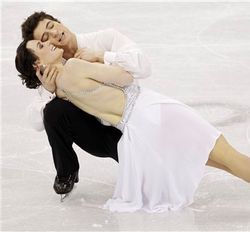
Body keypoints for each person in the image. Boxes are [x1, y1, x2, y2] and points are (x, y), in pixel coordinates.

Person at [16, 38, 250, 214]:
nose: (50, 44)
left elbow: (60, 108)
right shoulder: (75, 64)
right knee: (228, 155)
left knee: (217, 159)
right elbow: (126, 77)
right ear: (39, 64)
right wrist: (103, 58)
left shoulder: (58, 92)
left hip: (138, 133)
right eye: (42, 46)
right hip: (151, 110)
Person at [20, 11, 152, 197]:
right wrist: (50, 92)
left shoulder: (104, 38)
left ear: (58, 22)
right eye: (45, 38)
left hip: (131, 121)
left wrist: (101, 56)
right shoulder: (51, 68)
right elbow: (35, 121)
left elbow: (144, 66)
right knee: (53, 110)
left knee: (156, 173)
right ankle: (67, 172)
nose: (54, 35)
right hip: (101, 136)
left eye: (51, 26)